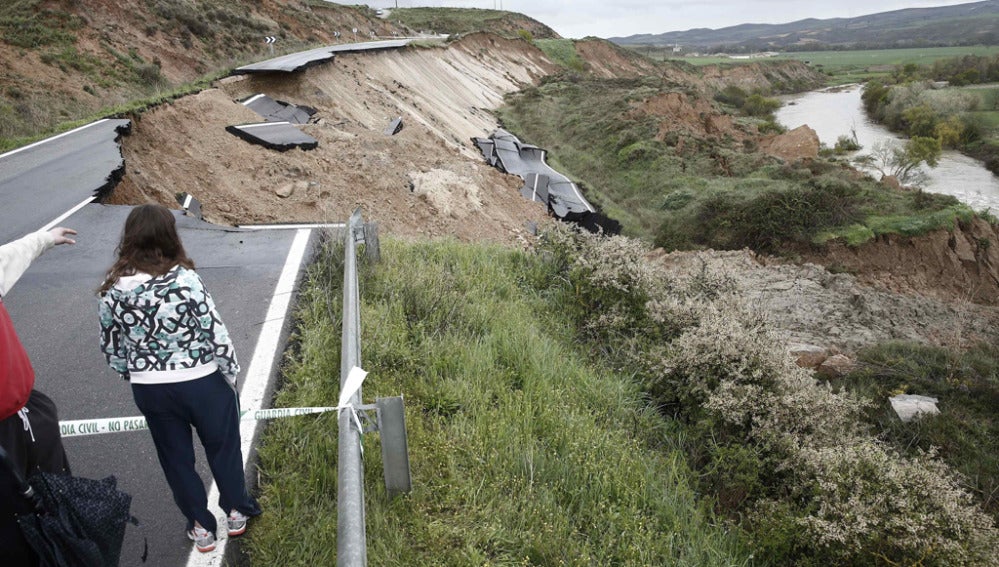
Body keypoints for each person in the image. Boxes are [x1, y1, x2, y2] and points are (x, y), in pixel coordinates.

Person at [98, 204, 260, 553]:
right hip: (202, 381)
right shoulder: (184, 279)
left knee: (176, 459)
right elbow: (214, 330)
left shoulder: (111, 288)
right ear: (169, 237)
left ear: (130, 239)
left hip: (150, 389)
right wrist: (230, 371)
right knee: (223, 447)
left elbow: (110, 345)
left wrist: (134, 373)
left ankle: (201, 526)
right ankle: (235, 510)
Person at [0, 227, 76, 566]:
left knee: (57, 496)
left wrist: (45, 239)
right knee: (12, 521)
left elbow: (9, 256)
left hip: (29, 410)